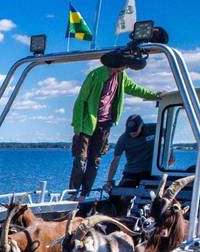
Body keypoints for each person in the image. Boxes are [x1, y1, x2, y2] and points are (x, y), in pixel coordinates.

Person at [68, 59, 162, 197]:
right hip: (87, 124)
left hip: (104, 125)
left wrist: (155, 95)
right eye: (117, 68)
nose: (119, 71)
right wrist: (77, 126)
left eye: (122, 68)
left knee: (94, 161)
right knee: (80, 159)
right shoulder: (95, 75)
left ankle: (84, 194)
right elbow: (81, 100)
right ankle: (72, 194)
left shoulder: (121, 77)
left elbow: (136, 89)